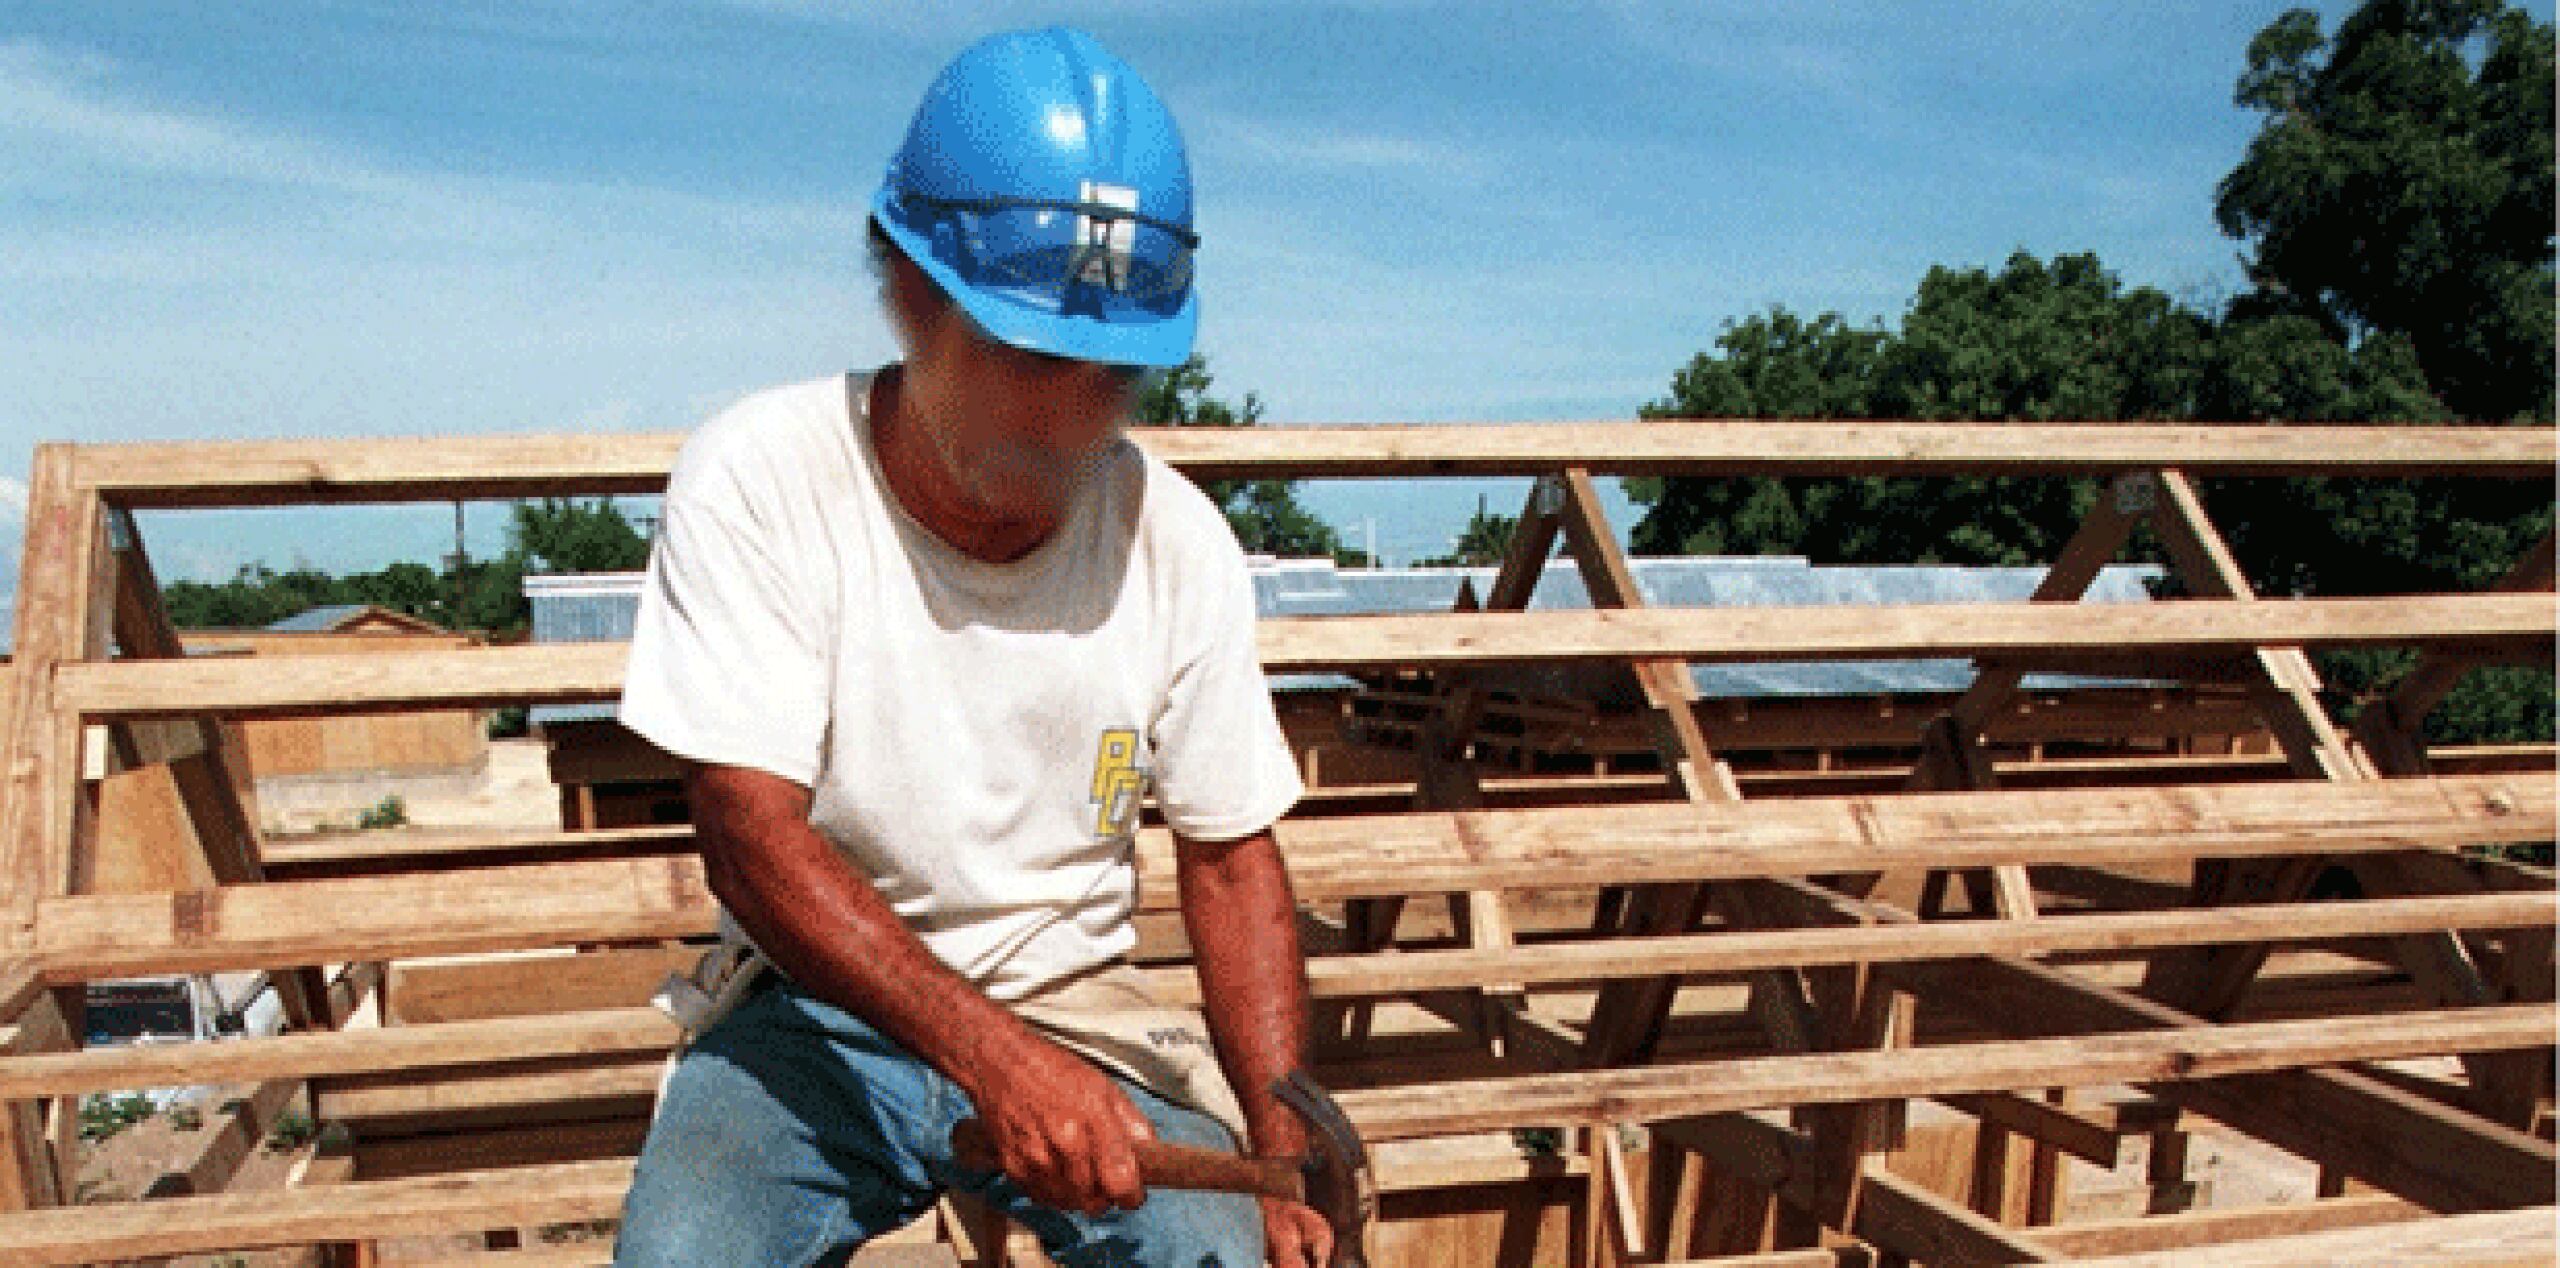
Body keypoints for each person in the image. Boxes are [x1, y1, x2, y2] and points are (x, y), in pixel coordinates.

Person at [609, 25, 1331, 1268]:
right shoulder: (765, 479)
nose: (1071, 412)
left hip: (1089, 1022)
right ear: (906, 288)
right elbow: (750, 835)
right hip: (814, 1011)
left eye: (1113, 370)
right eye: (1033, 354)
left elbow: (1228, 862)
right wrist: (993, 1057)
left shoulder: (1177, 542)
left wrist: (1281, 1153)